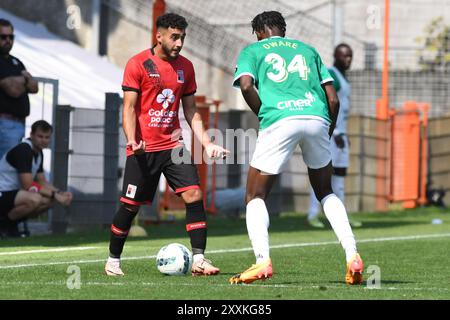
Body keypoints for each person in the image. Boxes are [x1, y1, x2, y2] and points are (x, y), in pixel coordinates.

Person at [229, 11, 363, 285]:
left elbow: (246, 86)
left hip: (279, 118)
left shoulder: (253, 50)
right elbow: (333, 99)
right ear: (283, 30)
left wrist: (264, 114)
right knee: (326, 190)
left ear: (258, 32)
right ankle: (352, 255)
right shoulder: (308, 50)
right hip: (317, 116)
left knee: (255, 195)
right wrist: (328, 127)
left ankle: (262, 260)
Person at [104, 13, 229, 276]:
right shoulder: (137, 64)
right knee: (130, 206)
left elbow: (192, 110)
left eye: (182, 37)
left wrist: (206, 143)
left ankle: (199, 260)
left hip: (173, 145)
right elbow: (128, 107)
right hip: (143, 148)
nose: (179, 42)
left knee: (194, 194)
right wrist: (131, 139)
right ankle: (113, 260)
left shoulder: (186, 67)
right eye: (174, 37)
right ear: (158, 35)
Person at [307, 44, 362, 228]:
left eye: (350, 56)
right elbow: (327, 103)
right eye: (344, 56)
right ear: (336, 57)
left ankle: (341, 215)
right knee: (321, 174)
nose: (348, 60)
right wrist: (336, 131)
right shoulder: (331, 75)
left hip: (340, 135)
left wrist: (344, 133)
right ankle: (312, 214)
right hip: (330, 133)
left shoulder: (344, 77)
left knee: (340, 174)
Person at [0, 120, 73, 238]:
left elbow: (41, 181)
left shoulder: (38, 153)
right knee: (35, 199)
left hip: (14, 193)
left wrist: (60, 193)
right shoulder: (24, 150)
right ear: (31, 135)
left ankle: (10, 225)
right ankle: (4, 225)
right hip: (3, 192)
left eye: (47, 137)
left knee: (49, 200)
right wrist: (55, 194)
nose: (43, 140)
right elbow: (28, 185)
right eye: (40, 136)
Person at [0, 18, 39, 159]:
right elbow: (13, 90)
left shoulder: (16, 62)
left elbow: (34, 87)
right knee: (5, 171)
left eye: (11, 37)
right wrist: (25, 79)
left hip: (17, 124)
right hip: (4, 125)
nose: (8, 40)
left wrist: (21, 80)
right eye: (3, 37)